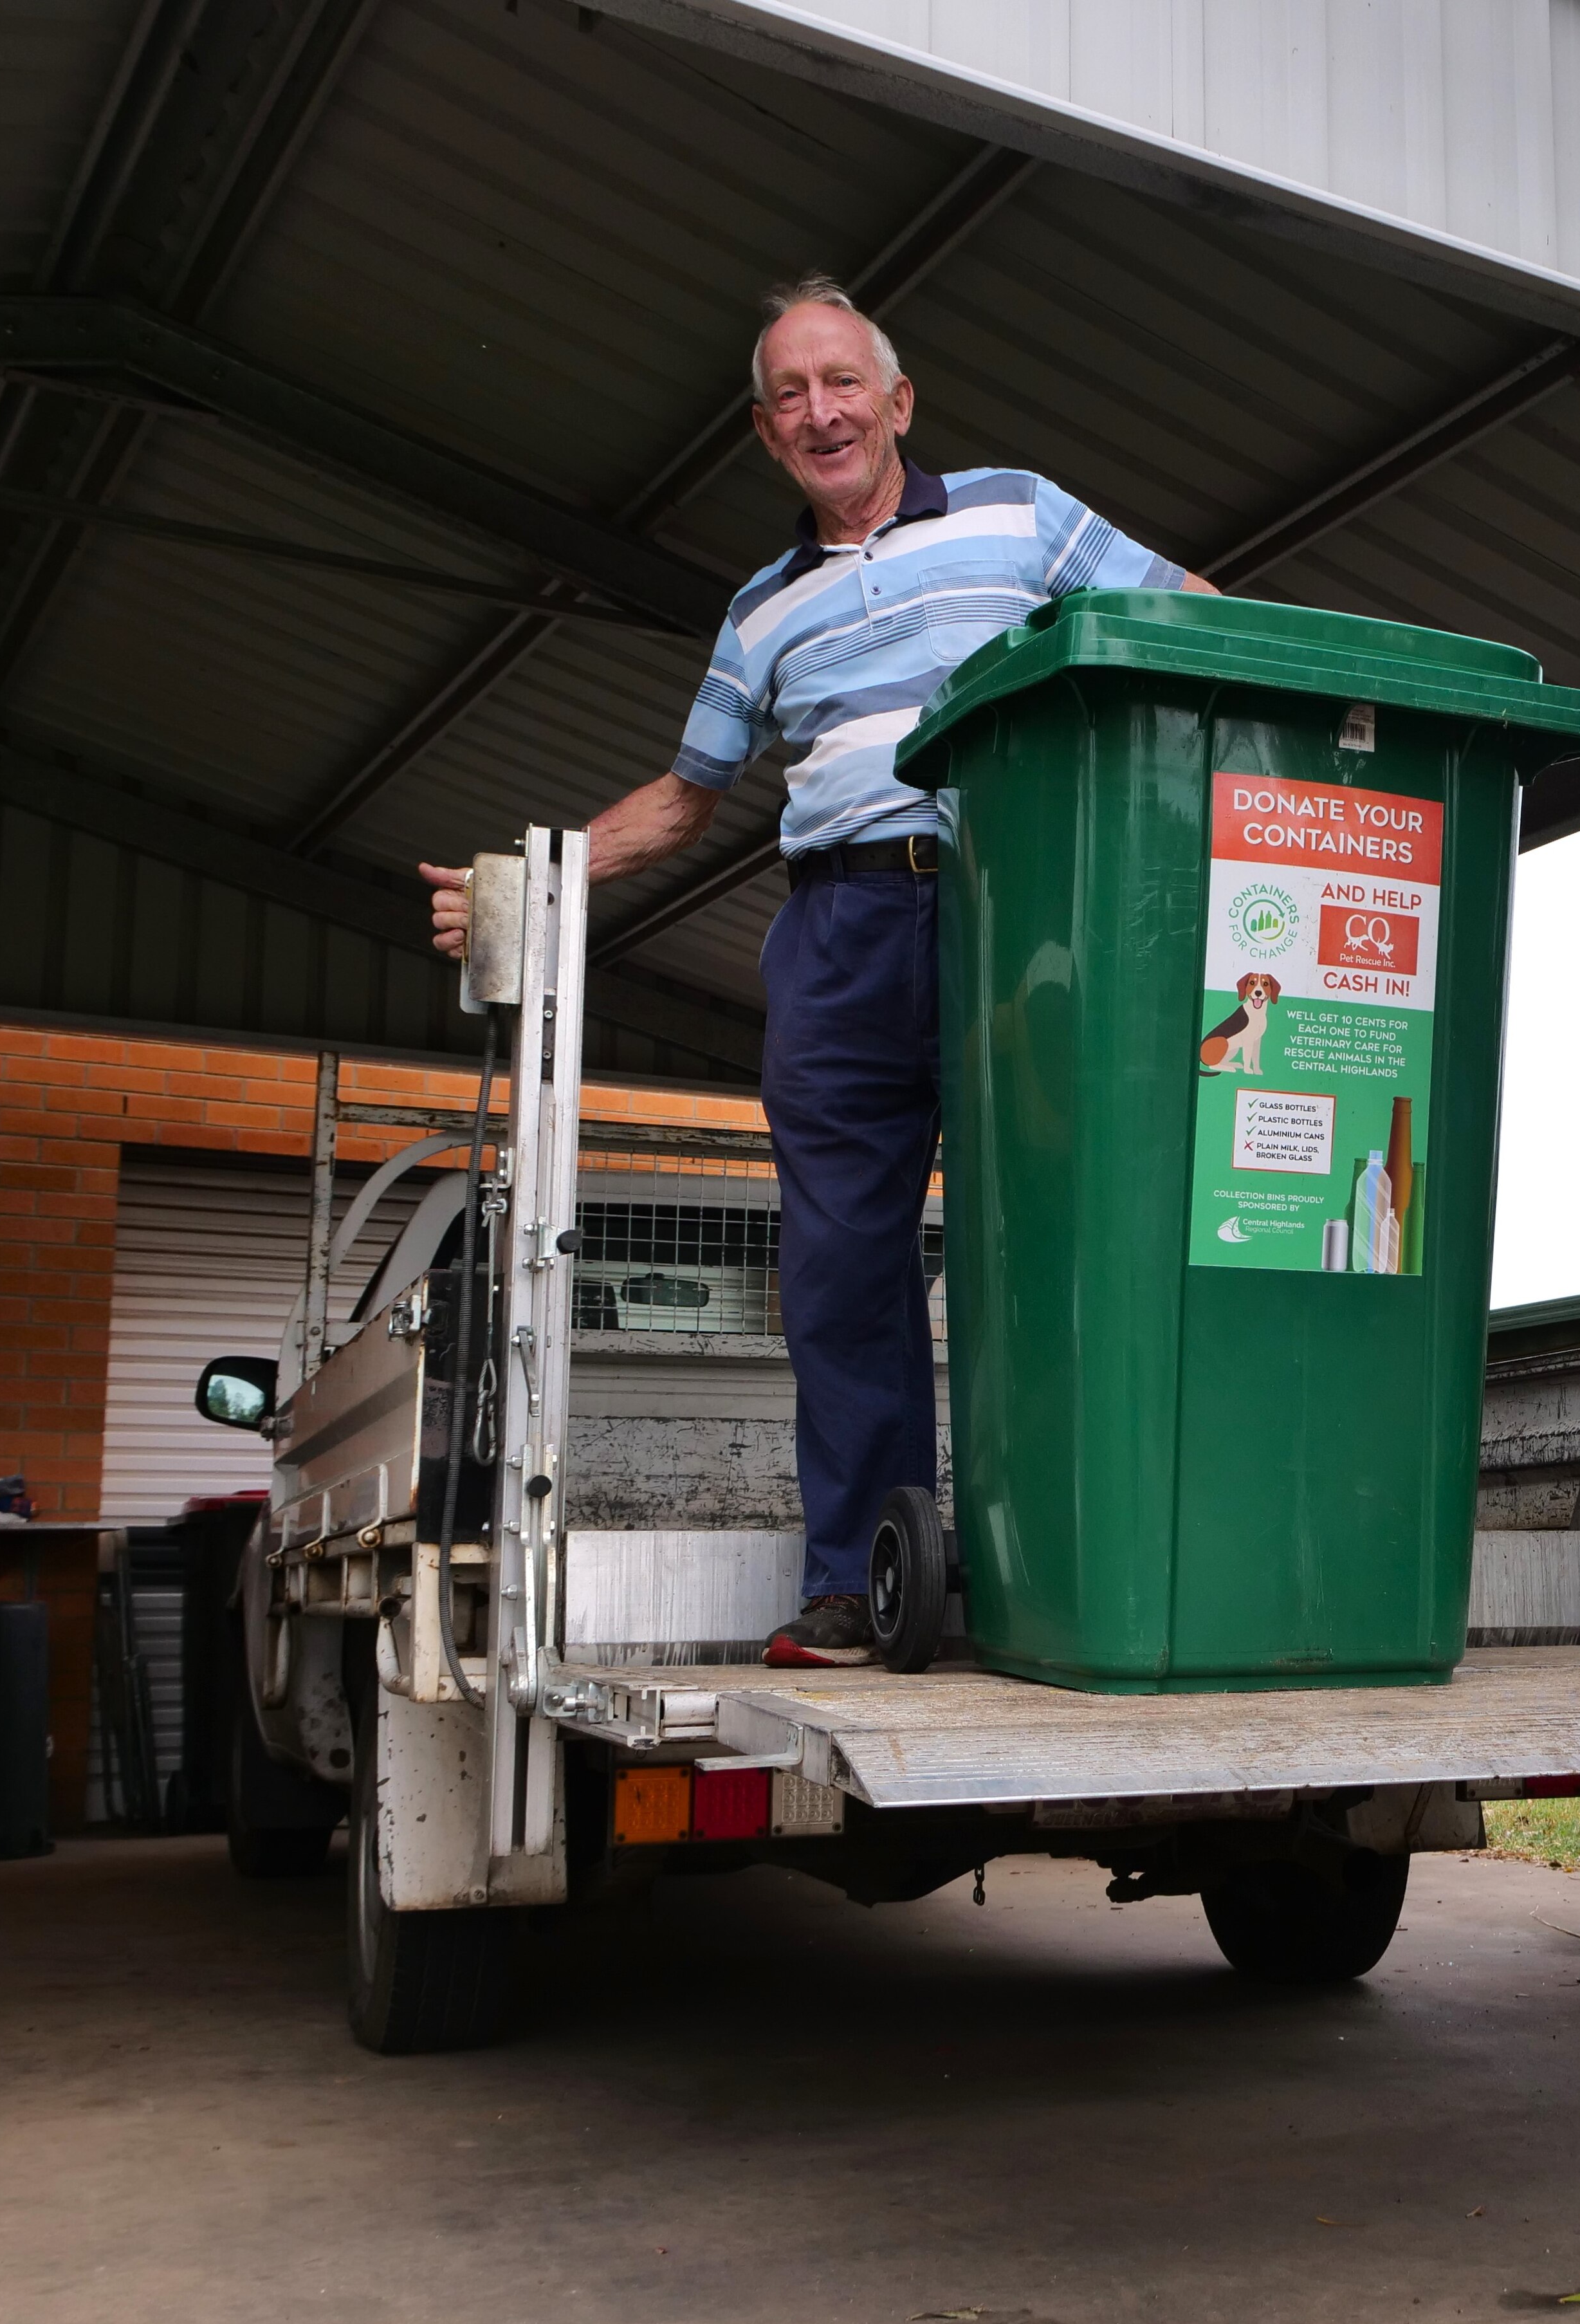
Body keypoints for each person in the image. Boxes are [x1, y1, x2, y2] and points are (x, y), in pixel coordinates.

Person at [423, 275, 1210, 1663]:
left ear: (897, 402)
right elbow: (686, 796)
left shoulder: (1020, 513)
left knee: (1066, 1235)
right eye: (791, 395)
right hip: (840, 935)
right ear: (763, 431)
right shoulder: (757, 613)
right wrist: (540, 878)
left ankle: (1113, 1559)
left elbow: (1188, 613)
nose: (820, 411)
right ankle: (863, 1579)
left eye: (842, 382)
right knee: (843, 1271)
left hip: (1019, 916)